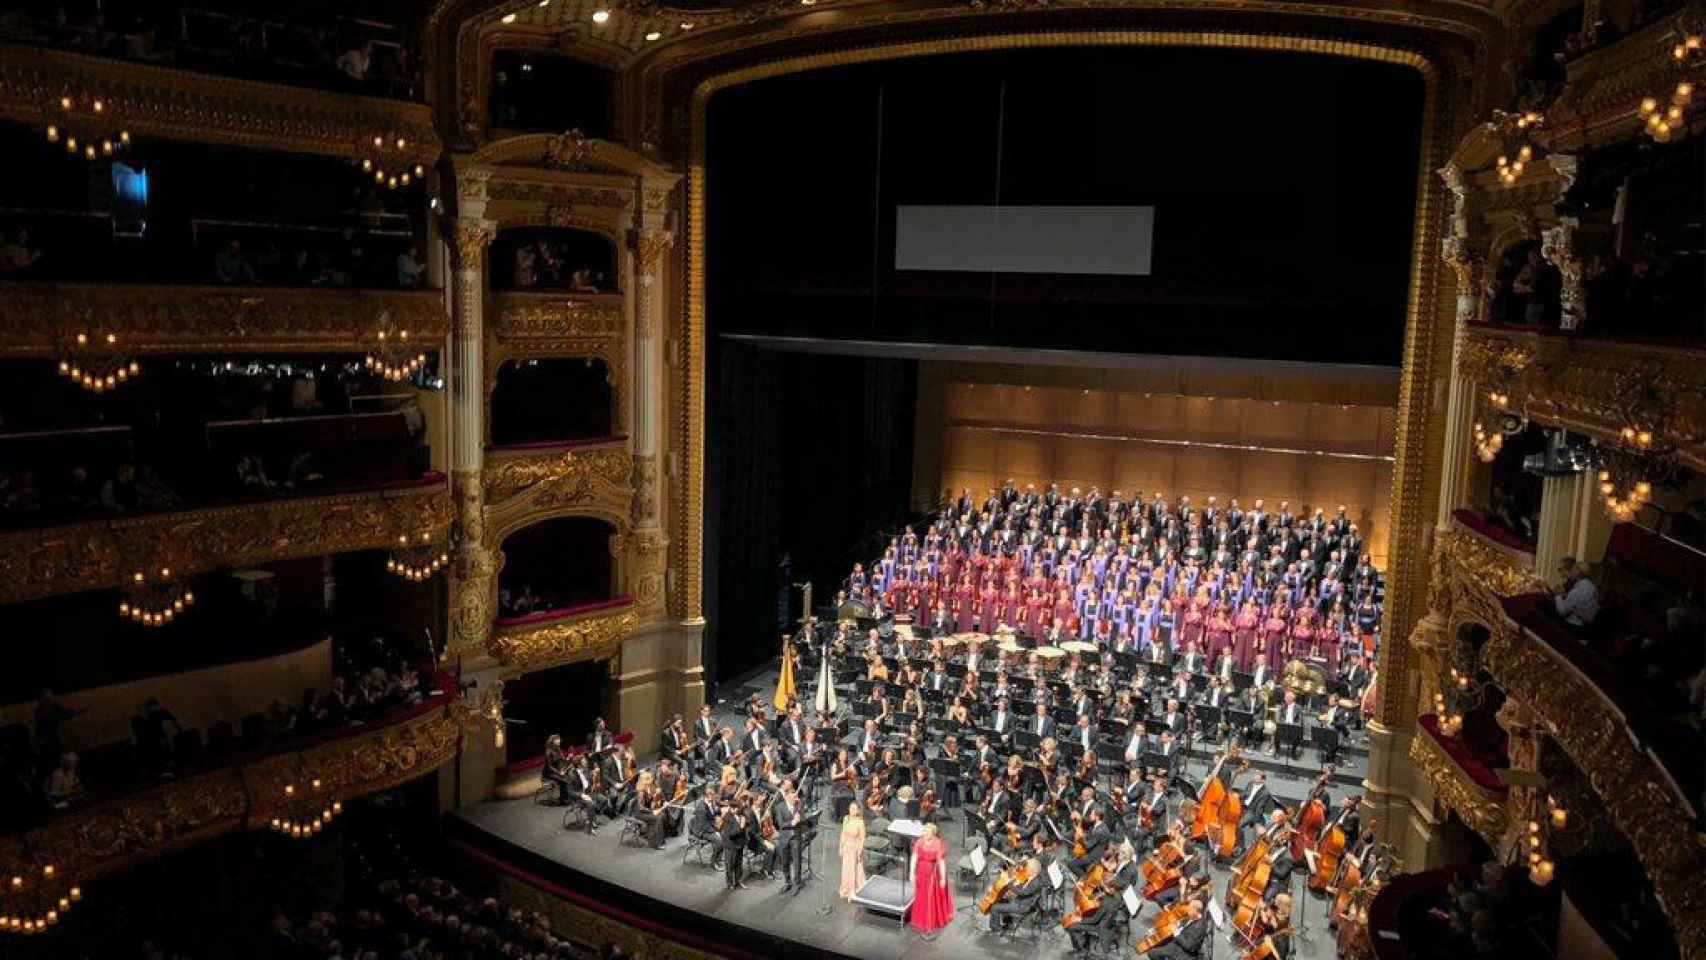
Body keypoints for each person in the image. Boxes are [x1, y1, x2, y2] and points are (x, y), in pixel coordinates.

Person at [908, 821, 953, 932]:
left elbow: (941, 862)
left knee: (930, 897)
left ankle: (930, 921)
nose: (924, 834)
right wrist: (911, 872)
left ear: (933, 833)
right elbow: (914, 857)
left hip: (933, 874)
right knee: (921, 894)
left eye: (927, 832)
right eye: (924, 832)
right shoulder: (920, 841)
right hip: (921, 873)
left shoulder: (938, 843)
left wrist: (942, 878)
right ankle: (920, 917)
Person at [1553, 556, 1600, 629]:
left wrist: (1557, 595)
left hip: (1574, 626)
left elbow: (1562, 611)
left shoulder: (1577, 591)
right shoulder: (1591, 586)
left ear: (1578, 572)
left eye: (1572, 570)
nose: (1570, 572)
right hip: (1588, 626)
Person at [838, 805, 868, 900]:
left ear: (858, 811)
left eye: (854, 809)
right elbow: (843, 833)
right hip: (847, 847)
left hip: (855, 848)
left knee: (853, 870)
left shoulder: (860, 822)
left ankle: (853, 891)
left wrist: (860, 851)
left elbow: (863, 838)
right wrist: (840, 847)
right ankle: (845, 889)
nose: (852, 810)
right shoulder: (846, 819)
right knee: (846, 869)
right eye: (851, 808)